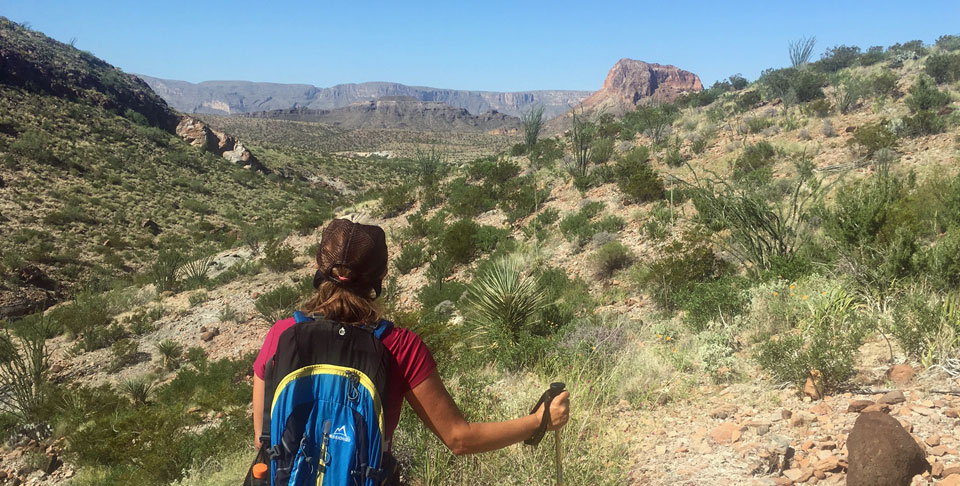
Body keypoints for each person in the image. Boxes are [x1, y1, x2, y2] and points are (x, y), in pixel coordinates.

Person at [251, 219, 570, 475]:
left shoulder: (281, 335)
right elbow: (459, 438)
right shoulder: (399, 346)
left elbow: (264, 439)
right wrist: (539, 421)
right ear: (381, 277)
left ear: (320, 268)